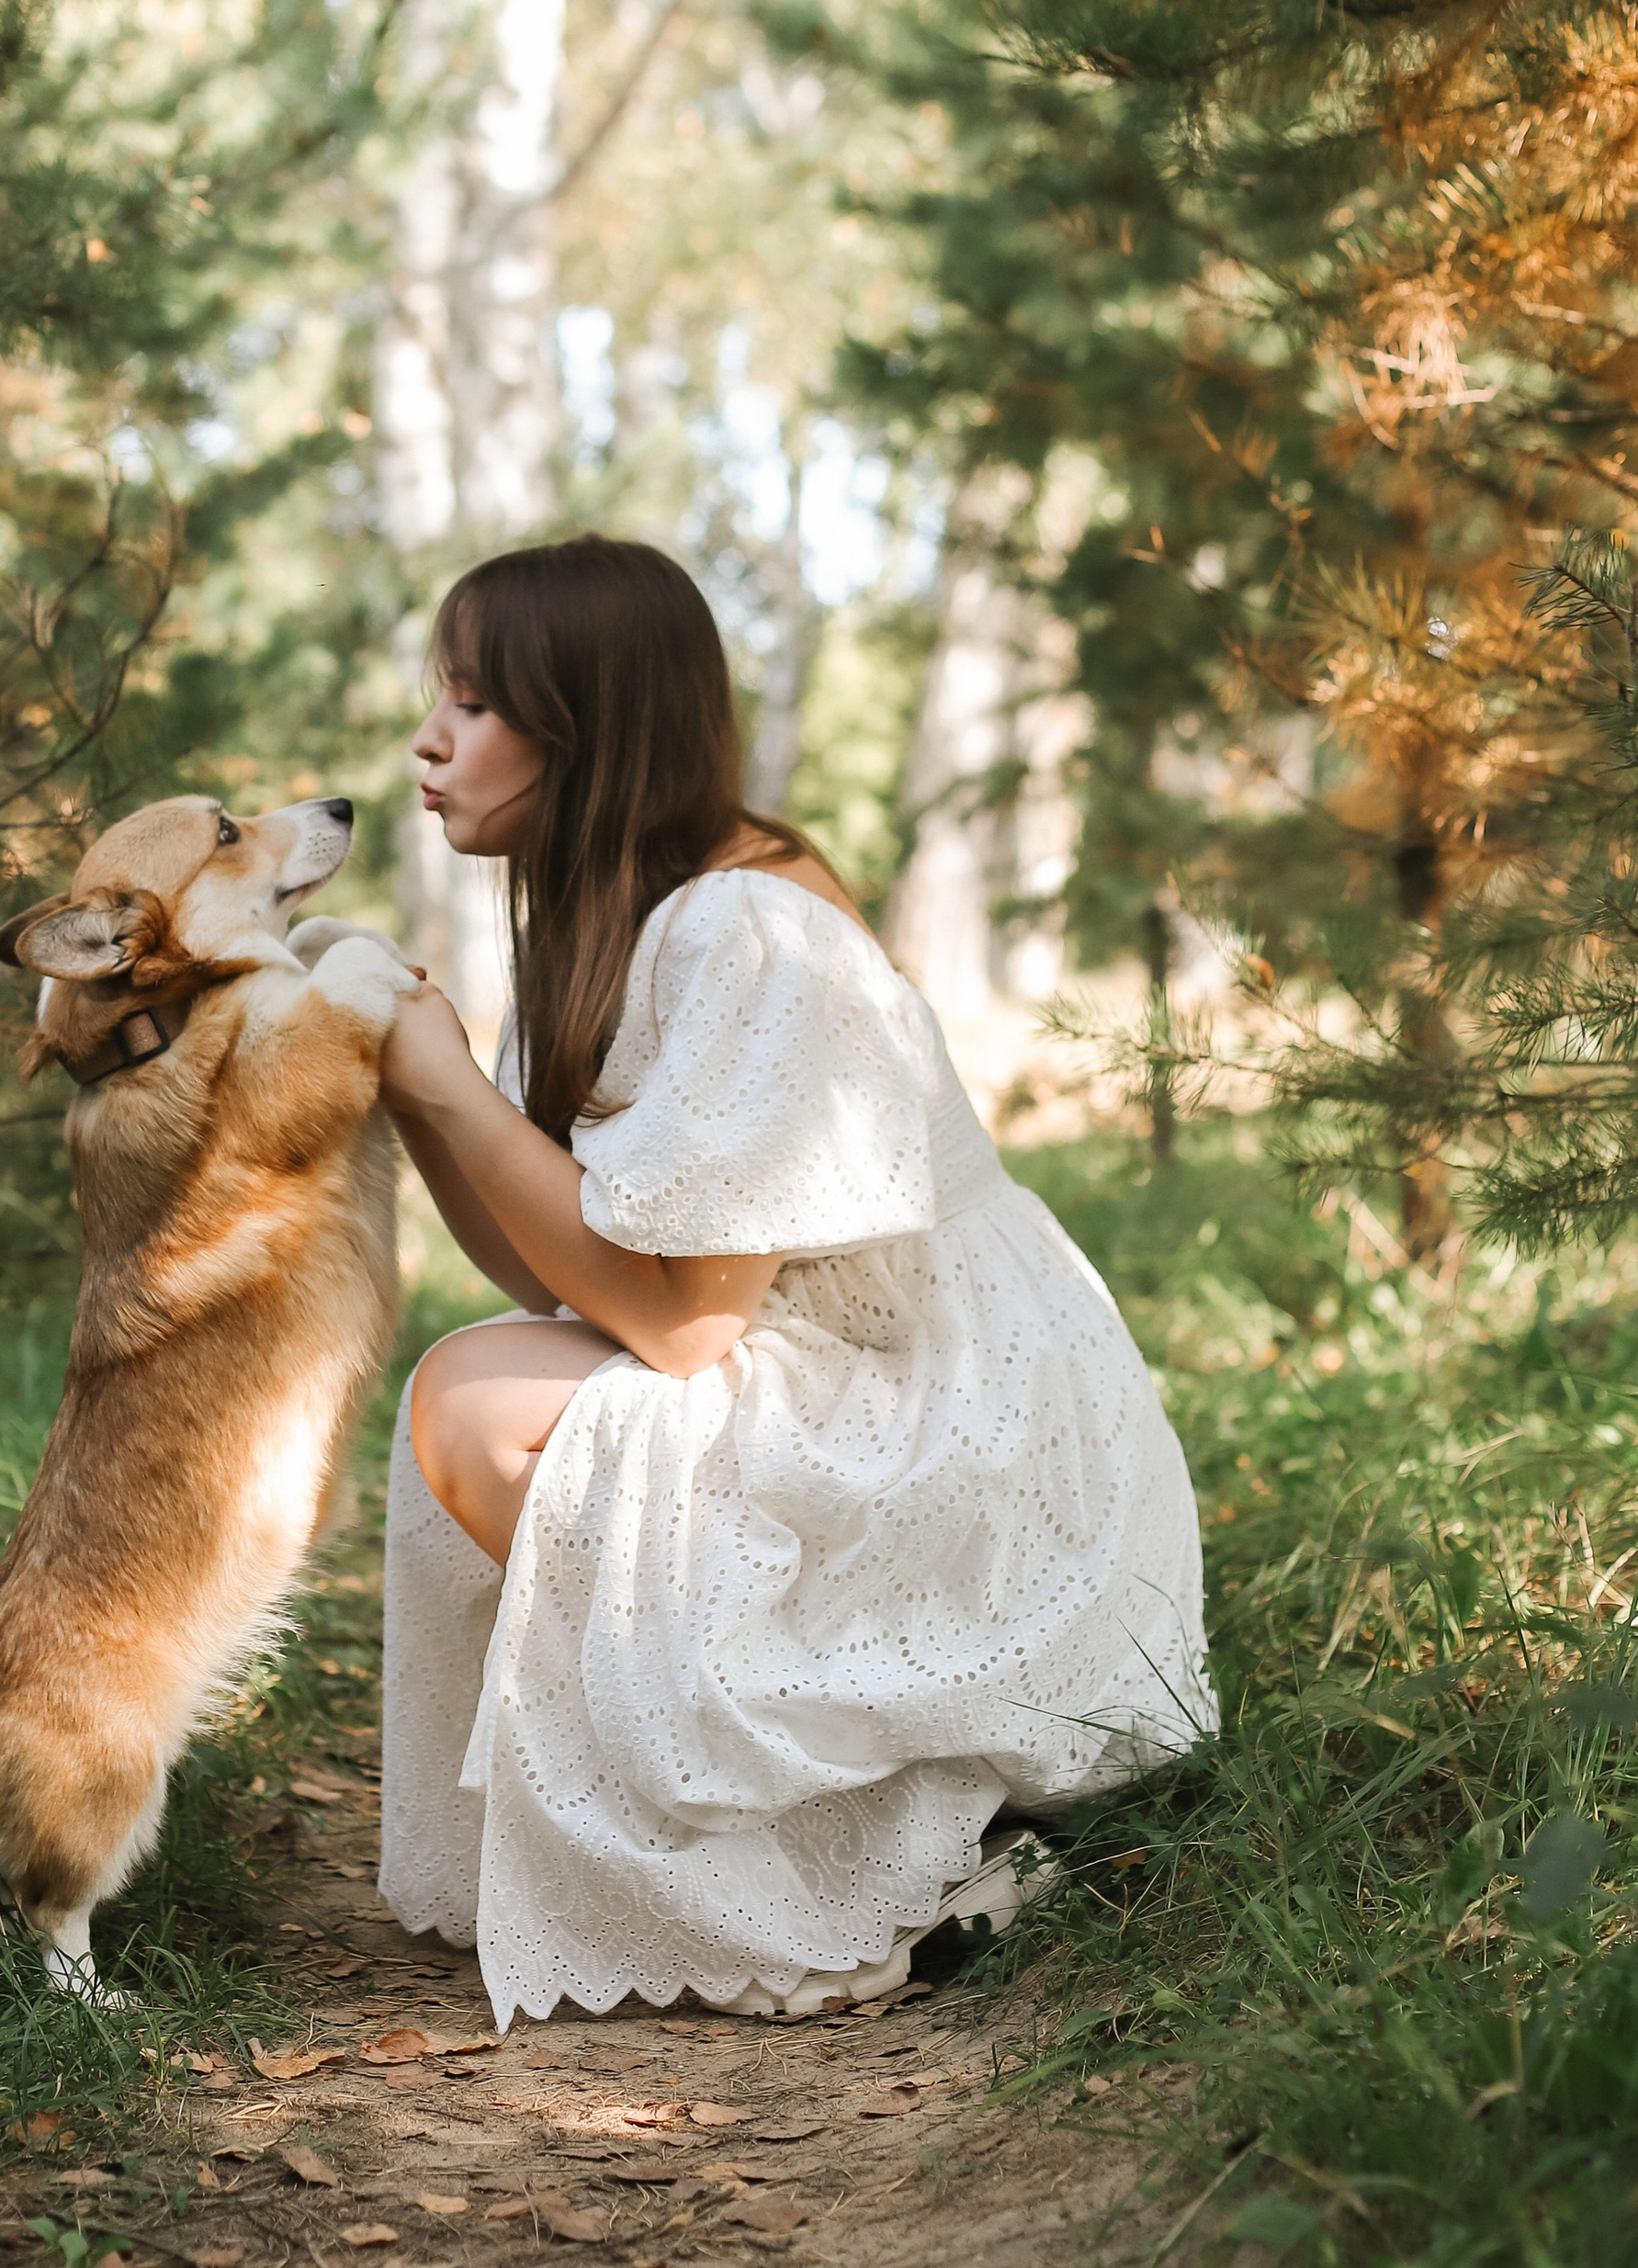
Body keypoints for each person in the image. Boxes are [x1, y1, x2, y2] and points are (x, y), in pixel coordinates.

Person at [374, 535, 1214, 2028]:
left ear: (594, 726)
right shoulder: (606, 919)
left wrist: (446, 1091)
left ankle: (898, 1845)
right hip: (846, 1365)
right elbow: (545, 1262)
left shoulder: (743, 921)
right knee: (487, 1367)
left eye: (477, 703)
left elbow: (686, 1320)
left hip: (953, 1409)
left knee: (478, 1399)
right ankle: (777, 1830)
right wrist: (435, 1097)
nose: (431, 741)